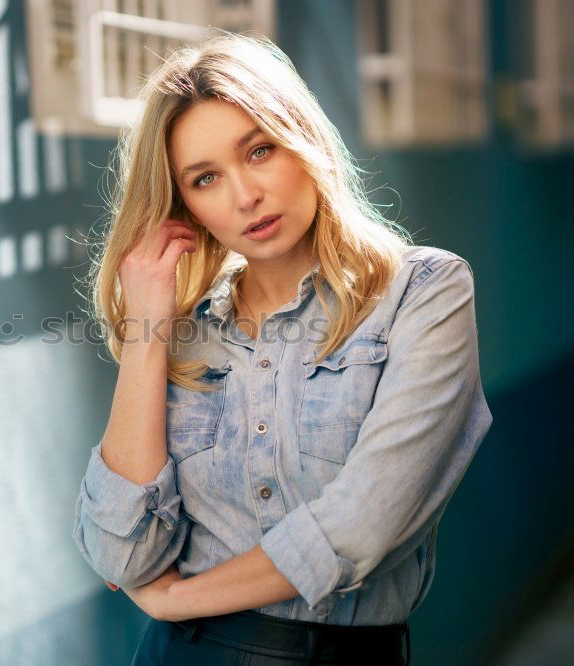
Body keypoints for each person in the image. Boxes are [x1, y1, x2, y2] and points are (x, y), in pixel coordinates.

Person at [71, 31, 493, 665]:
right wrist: (148, 328)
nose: (245, 196)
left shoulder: (424, 292)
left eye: (260, 150)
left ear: (304, 139)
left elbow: (364, 525)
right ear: (184, 205)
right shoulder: (187, 334)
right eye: (206, 178)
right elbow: (121, 553)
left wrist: (176, 600)